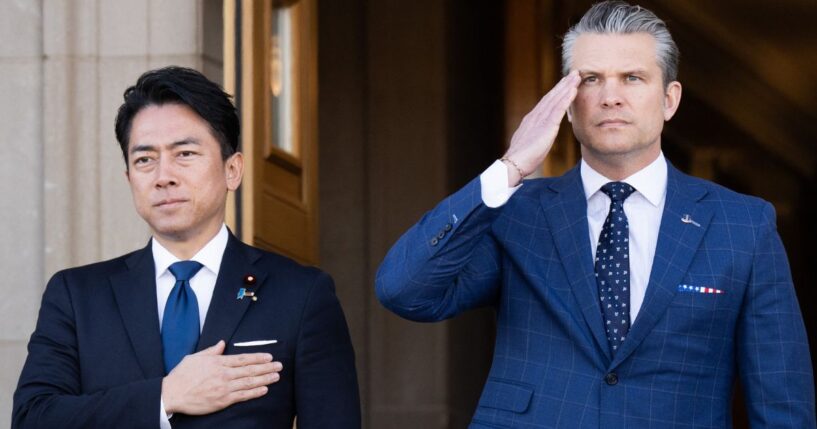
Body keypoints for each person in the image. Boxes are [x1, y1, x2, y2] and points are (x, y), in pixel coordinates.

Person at [375, 2, 815, 427]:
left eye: (632, 78)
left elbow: (782, 401)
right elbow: (404, 291)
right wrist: (508, 169)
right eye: (590, 79)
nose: (610, 97)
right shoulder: (516, 211)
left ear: (669, 99)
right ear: (566, 101)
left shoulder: (743, 225)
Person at [13, 66, 361, 428]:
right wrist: (166, 396)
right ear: (129, 178)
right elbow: (32, 418)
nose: (164, 176)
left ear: (233, 170)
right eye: (145, 159)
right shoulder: (77, 295)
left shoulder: (301, 295)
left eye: (185, 154)